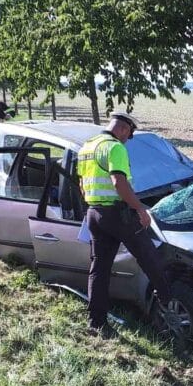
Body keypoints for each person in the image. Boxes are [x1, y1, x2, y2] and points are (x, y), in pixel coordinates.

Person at [77, 111, 173, 336]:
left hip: (94, 213)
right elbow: (118, 181)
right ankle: (169, 301)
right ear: (122, 128)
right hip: (118, 214)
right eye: (128, 134)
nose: (127, 140)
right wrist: (140, 209)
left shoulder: (87, 147)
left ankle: (96, 323)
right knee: (150, 257)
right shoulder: (114, 147)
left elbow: (82, 186)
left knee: (99, 270)